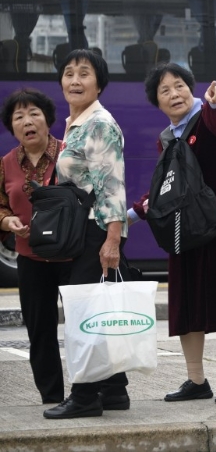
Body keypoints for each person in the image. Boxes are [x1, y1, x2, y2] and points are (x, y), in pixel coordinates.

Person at [131, 63, 216, 404]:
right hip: (185, 226)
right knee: (186, 303)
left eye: (179, 86)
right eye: (165, 90)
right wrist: (133, 214)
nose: (174, 94)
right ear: (157, 101)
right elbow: (166, 186)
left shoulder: (208, 118)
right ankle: (196, 380)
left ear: (191, 88)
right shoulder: (167, 138)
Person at [43, 50, 130, 419]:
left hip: (97, 231)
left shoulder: (99, 124)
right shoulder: (76, 123)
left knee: (84, 317)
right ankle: (113, 390)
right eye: (69, 73)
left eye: (84, 73)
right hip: (87, 231)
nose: (74, 80)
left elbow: (112, 185)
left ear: (99, 84)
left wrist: (112, 240)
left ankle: (84, 397)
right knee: (97, 311)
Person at [0, 89, 71, 405]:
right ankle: (52, 398)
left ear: (47, 119)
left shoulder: (69, 153)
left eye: (34, 114)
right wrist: (7, 222)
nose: (27, 121)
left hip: (71, 256)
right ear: (12, 127)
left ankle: (87, 393)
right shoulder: (6, 164)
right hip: (30, 258)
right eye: (19, 117)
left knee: (82, 328)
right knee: (40, 332)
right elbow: (1, 205)